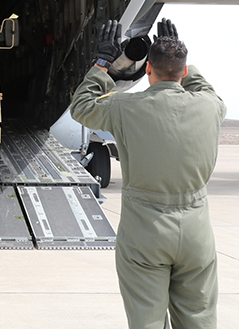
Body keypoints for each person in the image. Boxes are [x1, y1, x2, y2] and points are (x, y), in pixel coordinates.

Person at [70, 18, 226, 328]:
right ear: (183, 72)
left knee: (147, 320)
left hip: (145, 230)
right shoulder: (211, 107)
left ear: (148, 70)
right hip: (196, 231)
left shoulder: (125, 107)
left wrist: (103, 62)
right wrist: (185, 62)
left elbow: (81, 107)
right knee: (200, 319)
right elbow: (204, 89)